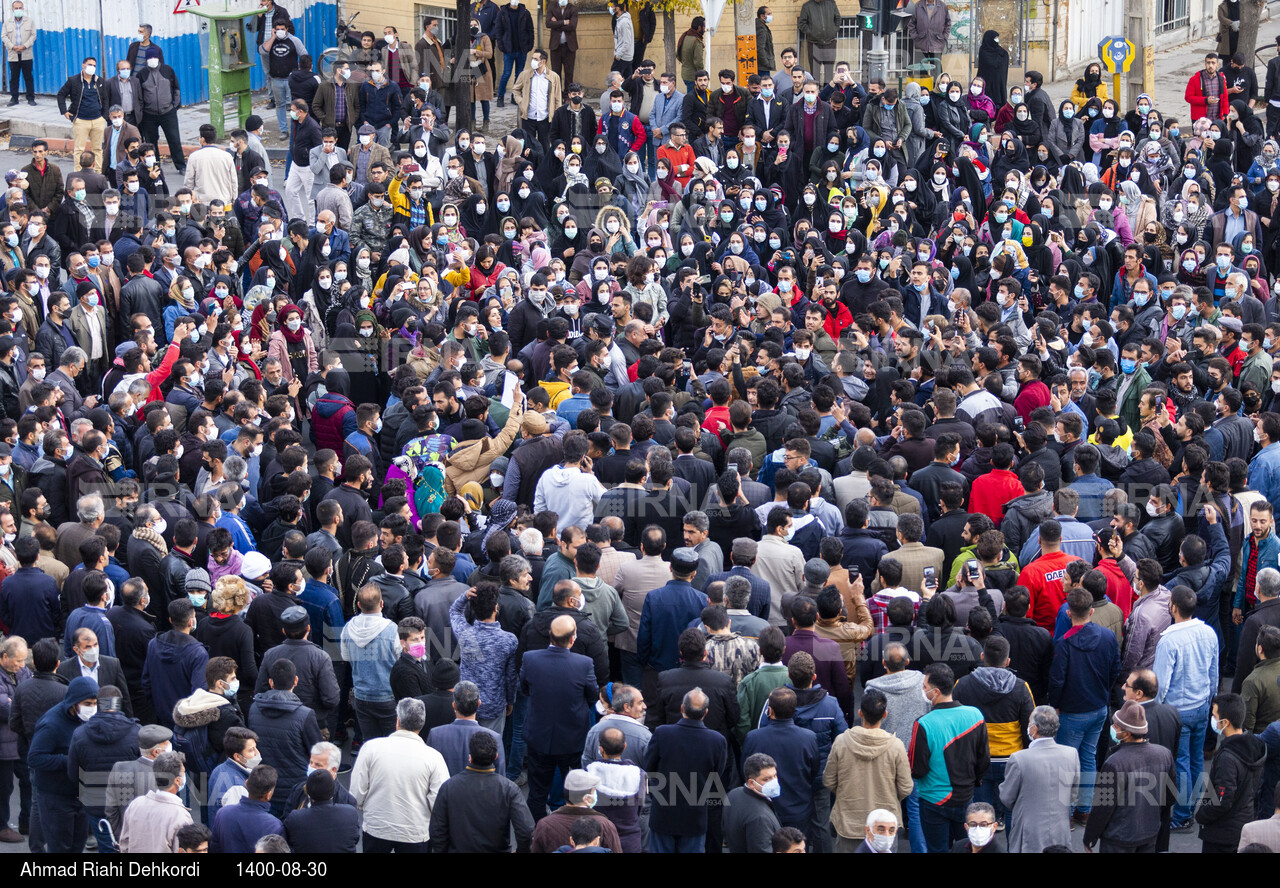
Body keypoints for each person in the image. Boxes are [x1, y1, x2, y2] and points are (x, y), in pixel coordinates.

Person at [1047, 587, 1120, 824]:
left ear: (1068, 613)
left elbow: (1057, 680)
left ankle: (1065, 814)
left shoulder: (1064, 644)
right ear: (1091, 611)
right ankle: (1084, 810)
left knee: (1066, 763)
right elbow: (1115, 670)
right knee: (1088, 757)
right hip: (1099, 708)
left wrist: (1055, 705)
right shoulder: (1108, 637)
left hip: (1072, 712)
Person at [1155, 584, 1221, 829]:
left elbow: (1160, 684)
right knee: (1194, 760)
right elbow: (1214, 672)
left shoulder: (1169, 640)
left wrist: (1158, 708)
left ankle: (1182, 814)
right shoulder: (1209, 633)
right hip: (1202, 706)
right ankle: (1190, 808)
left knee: (1181, 762)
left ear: (1173, 607)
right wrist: (1210, 698)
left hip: (1178, 711)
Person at [521, 613, 597, 821]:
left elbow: (524, 688)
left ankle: (538, 833)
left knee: (536, 793)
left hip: (539, 737)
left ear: (550, 636)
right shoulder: (584, 664)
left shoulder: (530, 659)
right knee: (577, 792)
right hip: (572, 740)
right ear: (573, 638)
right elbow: (592, 696)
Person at [349, 697, 449, 852]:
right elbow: (439, 801)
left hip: (377, 827)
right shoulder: (434, 757)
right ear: (421, 724)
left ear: (398, 721)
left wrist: (366, 808)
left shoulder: (371, 748)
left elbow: (356, 792)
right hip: (415, 832)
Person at [910, 663, 989, 853]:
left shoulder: (923, 724)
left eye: (925, 686)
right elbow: (984, 759)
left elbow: (917, 769)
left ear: (935, 692)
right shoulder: (975, 715)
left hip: (933, 801)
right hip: (965, 797)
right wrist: (973, 782)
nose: (923, 690)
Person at [823, 686, 912, 852]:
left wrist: (845, 793)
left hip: (849, 823)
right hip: (885, 827)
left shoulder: (841, 742)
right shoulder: (896, 746)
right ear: (884, 715)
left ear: (860, 713)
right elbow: (906, 787)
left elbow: (828, 780)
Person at [1082, 701, 1176, 853]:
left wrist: (1089, 837)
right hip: (1150, 834)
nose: (1112, 728)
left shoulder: (1114, 763)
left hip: (1118, 840)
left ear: (1126, 733)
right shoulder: (1164, 754)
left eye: (1116, 726)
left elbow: (1102, 808)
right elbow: (1170, 796)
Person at [428, 731, 534, 852]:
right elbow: (526, 830)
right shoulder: (509, 789)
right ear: (496, 756)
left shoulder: (449, 787)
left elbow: (437, 830)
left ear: (470, 757)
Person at [997, 705, 1079, 853]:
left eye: (1029, 724)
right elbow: (1073, 793)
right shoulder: (1071, 754)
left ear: (1034, 729)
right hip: (1060, 831)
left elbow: (1006, 797)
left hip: (1028, 834)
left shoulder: (1019, 758)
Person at [1195, 692, 1267, 852]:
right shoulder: (1254, 746)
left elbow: (1222, 800)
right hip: (1243, 822)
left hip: (1222, 835)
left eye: (1214, 715)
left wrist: (1201, 815)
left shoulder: (1228, 758)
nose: (1212, 720)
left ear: (1225, 722)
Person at [118, 751, 191, 853]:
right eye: (183, 772)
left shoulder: (136, 804)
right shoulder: (181, 816)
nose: (184, 775)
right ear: (177, 781)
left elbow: (124, 844)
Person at [723, 752, 781, 853]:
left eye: (775, 775)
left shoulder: (734, 794)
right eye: (766, 779)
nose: (773, 782)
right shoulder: (760, 817)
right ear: (751, 783)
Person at [3, 1, 35, 107]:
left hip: (26, 53)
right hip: (13, 54)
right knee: (14, 77)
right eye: (16, 8)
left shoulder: (29, 21)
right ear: (12, 9)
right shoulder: (7, 22)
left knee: (28, 77)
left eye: (20, 8)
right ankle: (14, 98)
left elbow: (33, 35)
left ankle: (30, 98)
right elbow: (4, 37)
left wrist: (24, 46)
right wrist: (13, 46)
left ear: (23, 8)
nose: (18, 10)